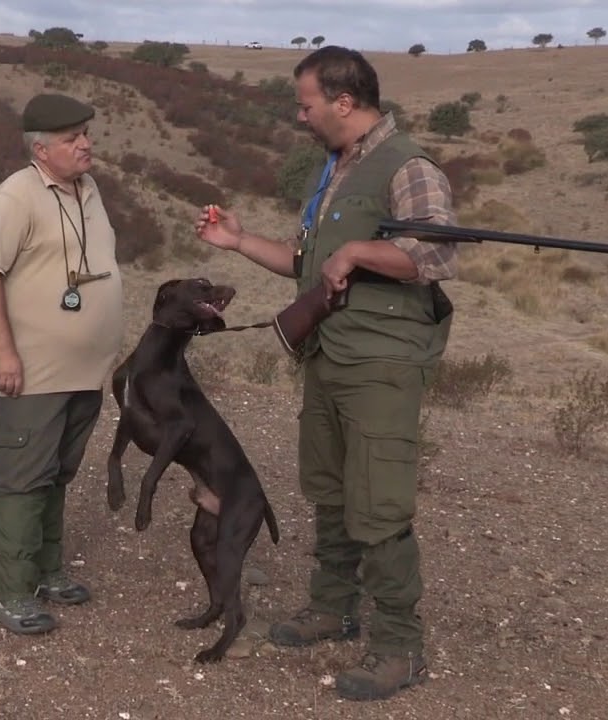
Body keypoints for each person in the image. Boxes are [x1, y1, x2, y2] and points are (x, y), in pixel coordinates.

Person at [195, 46, 458, 701]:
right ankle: (333, 606)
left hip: (381, 363)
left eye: (306, 103)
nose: (300, 115)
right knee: (332, 489)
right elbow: (307, 264)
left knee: (379, 502)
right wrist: (238, 242)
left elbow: (435, 250)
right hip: (331, 358)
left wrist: (361, 251)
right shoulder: (337, 167)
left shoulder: (408, 164)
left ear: (344, 101)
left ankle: (399, 646)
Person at [0, 93, 124, 635]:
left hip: (84, 372)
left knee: (57, 476)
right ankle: (10, 594)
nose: (85, 144)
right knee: (22, 482)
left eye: (86, 134)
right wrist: (4, 351)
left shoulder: (88, 188)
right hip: (31, 373)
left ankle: (45, 572)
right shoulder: (16, 196)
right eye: (71, 138)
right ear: (40, 149)